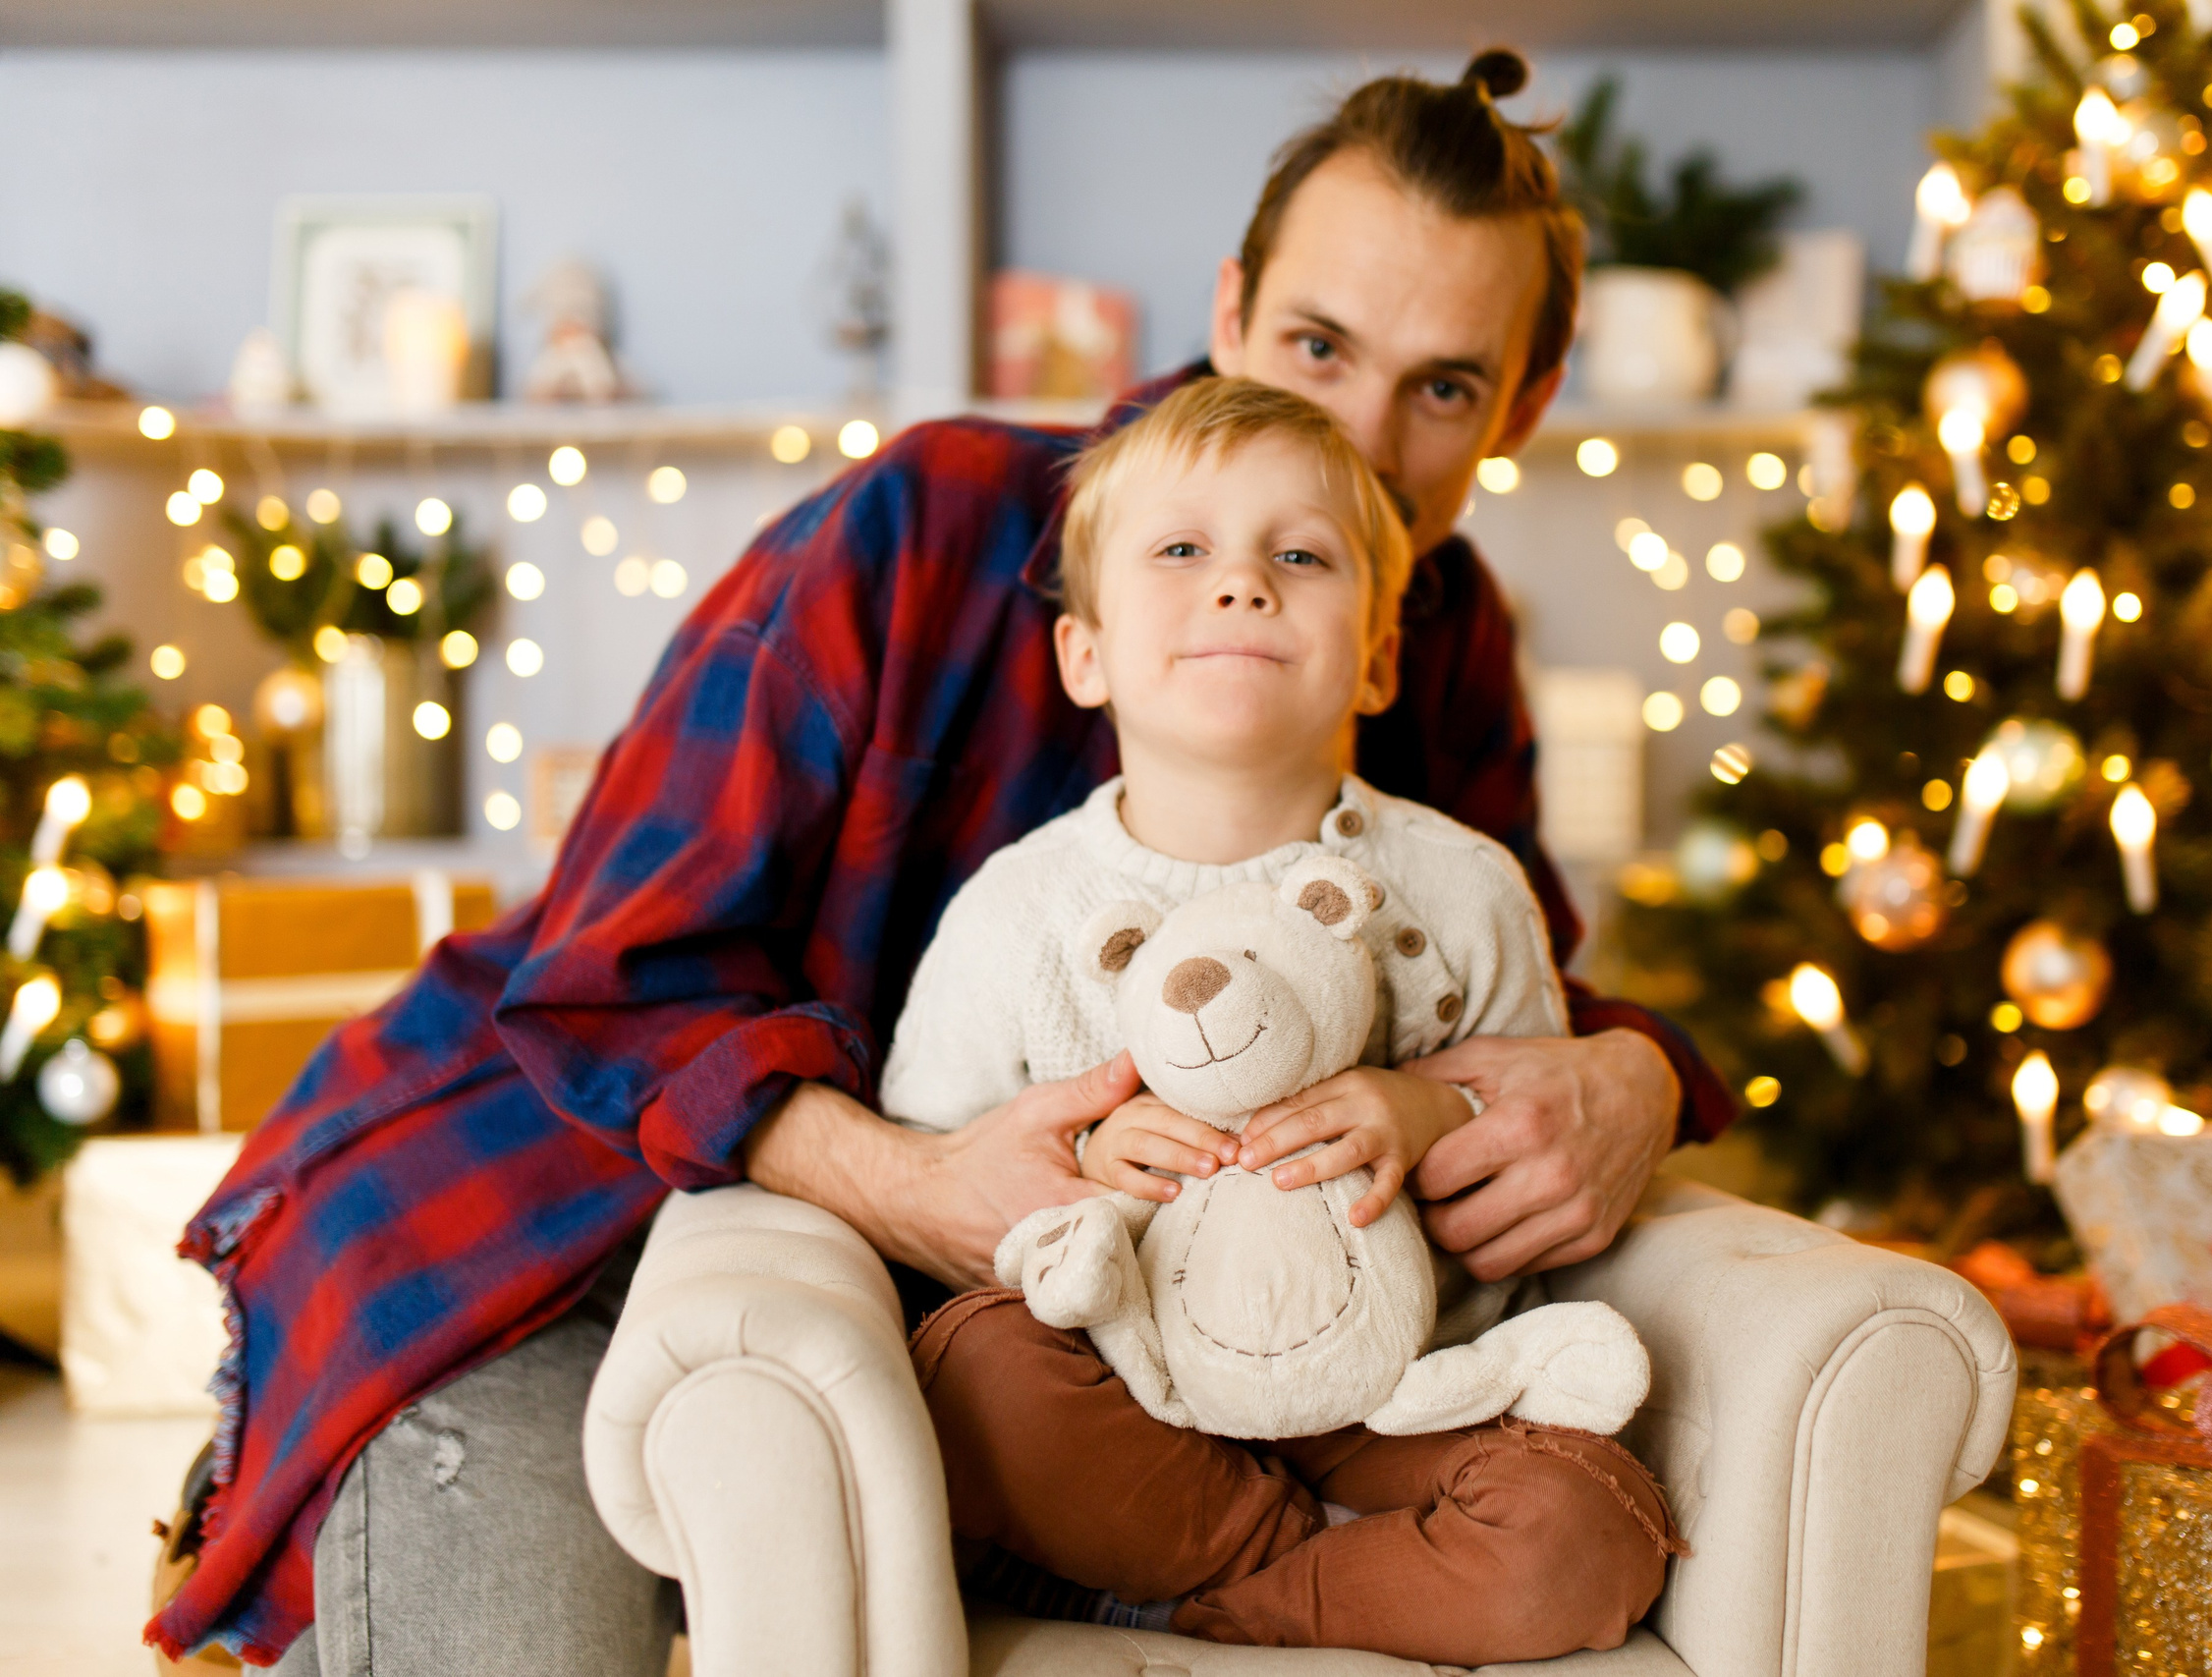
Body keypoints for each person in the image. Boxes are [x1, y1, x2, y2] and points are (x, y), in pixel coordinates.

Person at [148, 47, 1735, 1676]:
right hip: (552, 1208)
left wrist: (1631, 1082)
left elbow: (1505, 987)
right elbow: (610, 985)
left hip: (1015, 1326)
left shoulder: (1436, 631)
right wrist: (916, 1183)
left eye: (1445, 388)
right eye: (1319, 345)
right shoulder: (934, 523)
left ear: (1525, 409)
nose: (1352, 434)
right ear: (1235, 308)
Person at [889, 374, 1677, 1664]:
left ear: (1375, 658)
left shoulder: (1462, 886)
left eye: (1299, 555)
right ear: (1083, 655)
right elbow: (939, 1187)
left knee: (1588, 1529)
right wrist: (1082, 1173)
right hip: (1132, 1396)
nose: (1242, 584)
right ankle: (1322, 1571)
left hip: (1401, 1398)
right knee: (972, 1377)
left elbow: (1534, 1153)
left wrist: (1429, 1114)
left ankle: (1216, 1596)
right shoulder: (1019, 911)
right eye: (1184, 550)